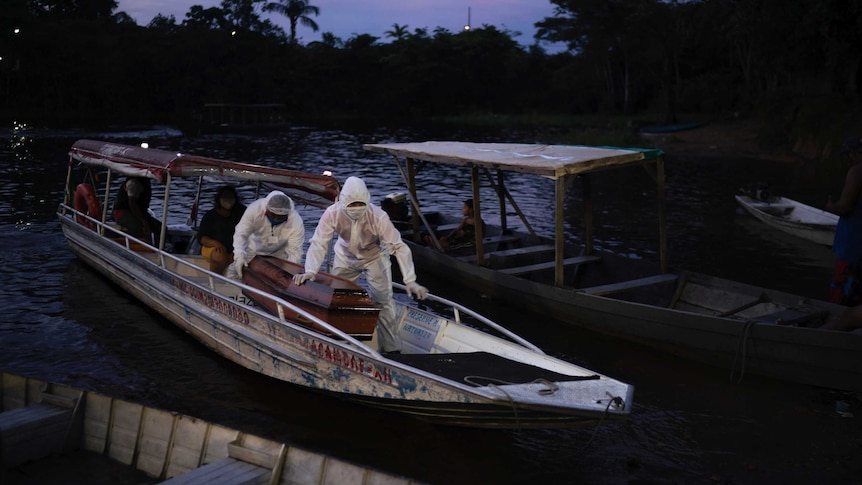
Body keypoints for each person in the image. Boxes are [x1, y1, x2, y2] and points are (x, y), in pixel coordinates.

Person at [292, 176, 428, 353]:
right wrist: (310, 271)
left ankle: (392, 348)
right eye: (352, 205)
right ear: (343, 202)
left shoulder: (379, 217)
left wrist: (410, 279)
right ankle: (341, 341)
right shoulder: (332, 213)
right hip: (344, 257)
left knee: (383, 301)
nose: (356, 209)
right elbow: (319, 243)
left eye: (360, 205)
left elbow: (398, 247)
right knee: (338, 299)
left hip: (374, 257)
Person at [824, 136, 862, 331]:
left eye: (848, 156)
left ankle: (830, 337)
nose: (847, 161)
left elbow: (845, 206)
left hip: (853, 248)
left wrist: (831, 206)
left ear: (855, 154)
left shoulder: (857, 171)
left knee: (841, 303)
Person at [228, 190, 303, 279]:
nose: (276, 219)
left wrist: (291, 270)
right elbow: (241, 234)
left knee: (281, 278)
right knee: (235, 271)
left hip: (278, 253)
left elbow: (295, 251)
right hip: (252, 250)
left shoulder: (296, 221)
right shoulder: (254, 209)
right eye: (273, 215)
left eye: (280, 217)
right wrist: (239, 255)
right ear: (266, 209)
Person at [198, 186, 246, 274]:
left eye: (230, 197)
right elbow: (202, 238)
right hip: (214, 248)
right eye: (225, 197)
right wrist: (216, 243)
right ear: (219, 199)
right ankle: (215, 280)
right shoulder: (210, 215)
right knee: (219, 255)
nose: (228, 200)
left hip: (237, 248)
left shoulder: (242, 212)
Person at [112, 177, 161, 243]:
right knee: (140, 229)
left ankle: (159, 248)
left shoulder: (143, 182)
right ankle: (141, 246)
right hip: (123, 213)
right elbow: (132, 204)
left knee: (160, 228)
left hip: (137, 212)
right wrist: (144, 222)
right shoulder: (134, 183)